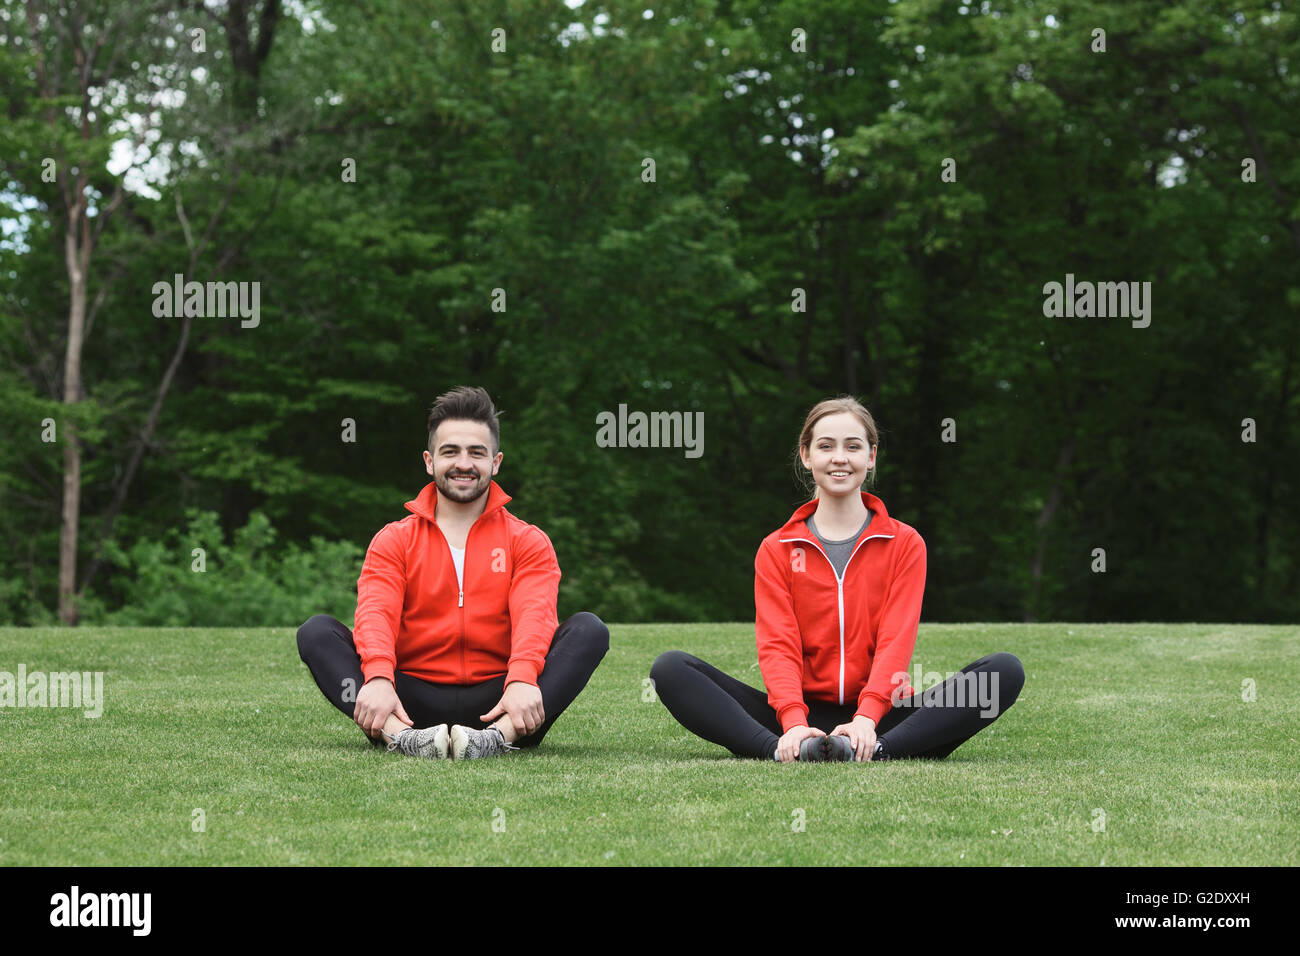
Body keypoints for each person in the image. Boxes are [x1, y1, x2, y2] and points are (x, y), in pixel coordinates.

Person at [650, 396, 1024, 762]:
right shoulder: (776, 548)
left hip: (884, 717)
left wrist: (866, 719)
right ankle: (782, 749)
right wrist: (793, 722)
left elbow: (896, 641)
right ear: (806, 455)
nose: (840, 457)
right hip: (796, 717)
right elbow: (778, 646)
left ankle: (876, 749)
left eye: (853, 446)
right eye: (826, 446)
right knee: (670, 668)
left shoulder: (905, 543)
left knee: (1003, 671)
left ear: (871, 456)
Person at [297, 386, 609, 760]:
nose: (464, 463)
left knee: (589, 629)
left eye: (476, 452)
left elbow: (535, 616)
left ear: (496, 462)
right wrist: (378, 677)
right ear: (429, 461)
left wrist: (523, 678)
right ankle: (403, 738)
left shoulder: (527, 540)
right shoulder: (394, 539)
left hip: (502, 701)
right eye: (450, 452)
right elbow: (376, 613)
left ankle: (494, 741)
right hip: (408, 703)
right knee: (316, 632)